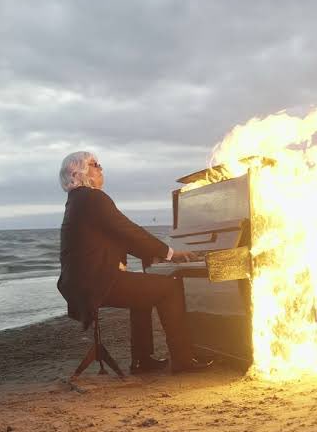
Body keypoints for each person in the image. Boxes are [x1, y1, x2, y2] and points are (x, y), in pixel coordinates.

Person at [57, 151, 210, 374]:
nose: (101, 168)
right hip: (97, 282)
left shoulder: (77, 200)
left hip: (82, 282)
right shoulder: (92, 198)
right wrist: (170, 253)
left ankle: (142, 360)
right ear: (79, 171)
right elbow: (128, 231)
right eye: (95, 164)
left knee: (143, 294)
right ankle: (183, 360)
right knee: (170, 287)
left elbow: (119, 238)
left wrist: (154, 255)